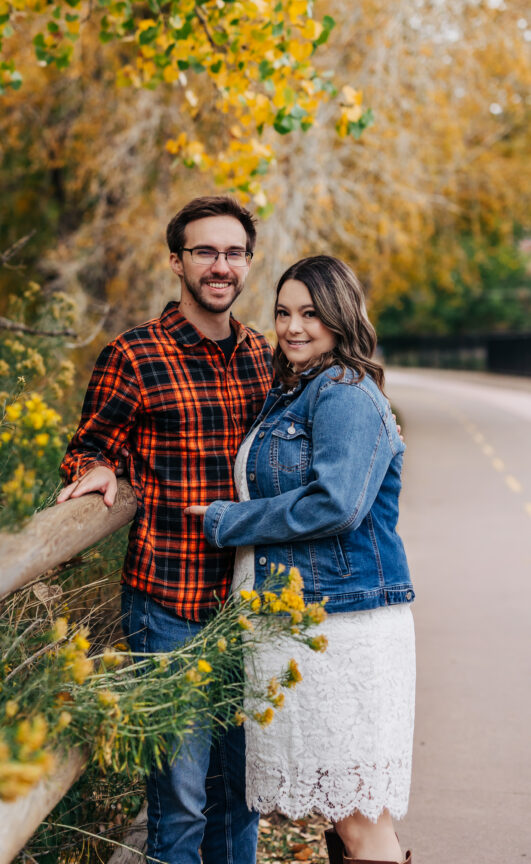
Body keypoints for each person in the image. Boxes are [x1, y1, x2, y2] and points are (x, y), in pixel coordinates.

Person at [57, 195, 273, 864]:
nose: (220, 266)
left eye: (233, 253)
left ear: (246, 264)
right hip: (168, 602)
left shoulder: (263, 356)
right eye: (205, 251)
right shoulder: (133, 355)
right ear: (175, 261)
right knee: (179, 805)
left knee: (240, 796)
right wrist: (95, 471)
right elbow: (88, 444)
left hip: (249, 605)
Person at [186, 255, 415, 864]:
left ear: (340, 318)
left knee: (362, 821)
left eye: (311, 314)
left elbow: (335, 505)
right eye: (284, 313)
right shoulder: (300, 390)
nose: (293, 327)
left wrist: (226, 521)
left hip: (343, 626)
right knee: (346, 822)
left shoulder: (343, 393)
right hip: (311, 622)